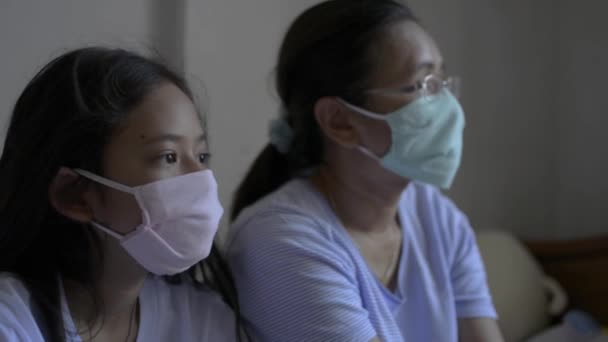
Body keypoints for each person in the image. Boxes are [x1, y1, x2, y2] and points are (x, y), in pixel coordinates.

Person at [227, 0, 504, 341]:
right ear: (340, 121)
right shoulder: (280, 241)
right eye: (422, 85)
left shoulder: (439, 218)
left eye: (442, 81)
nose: (448, 106)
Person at [0, 47, 245, 341]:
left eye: (202, 156)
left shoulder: (202, 318)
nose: (202, 180)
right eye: (168, 157)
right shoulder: (13, 323)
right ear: (75, 194)